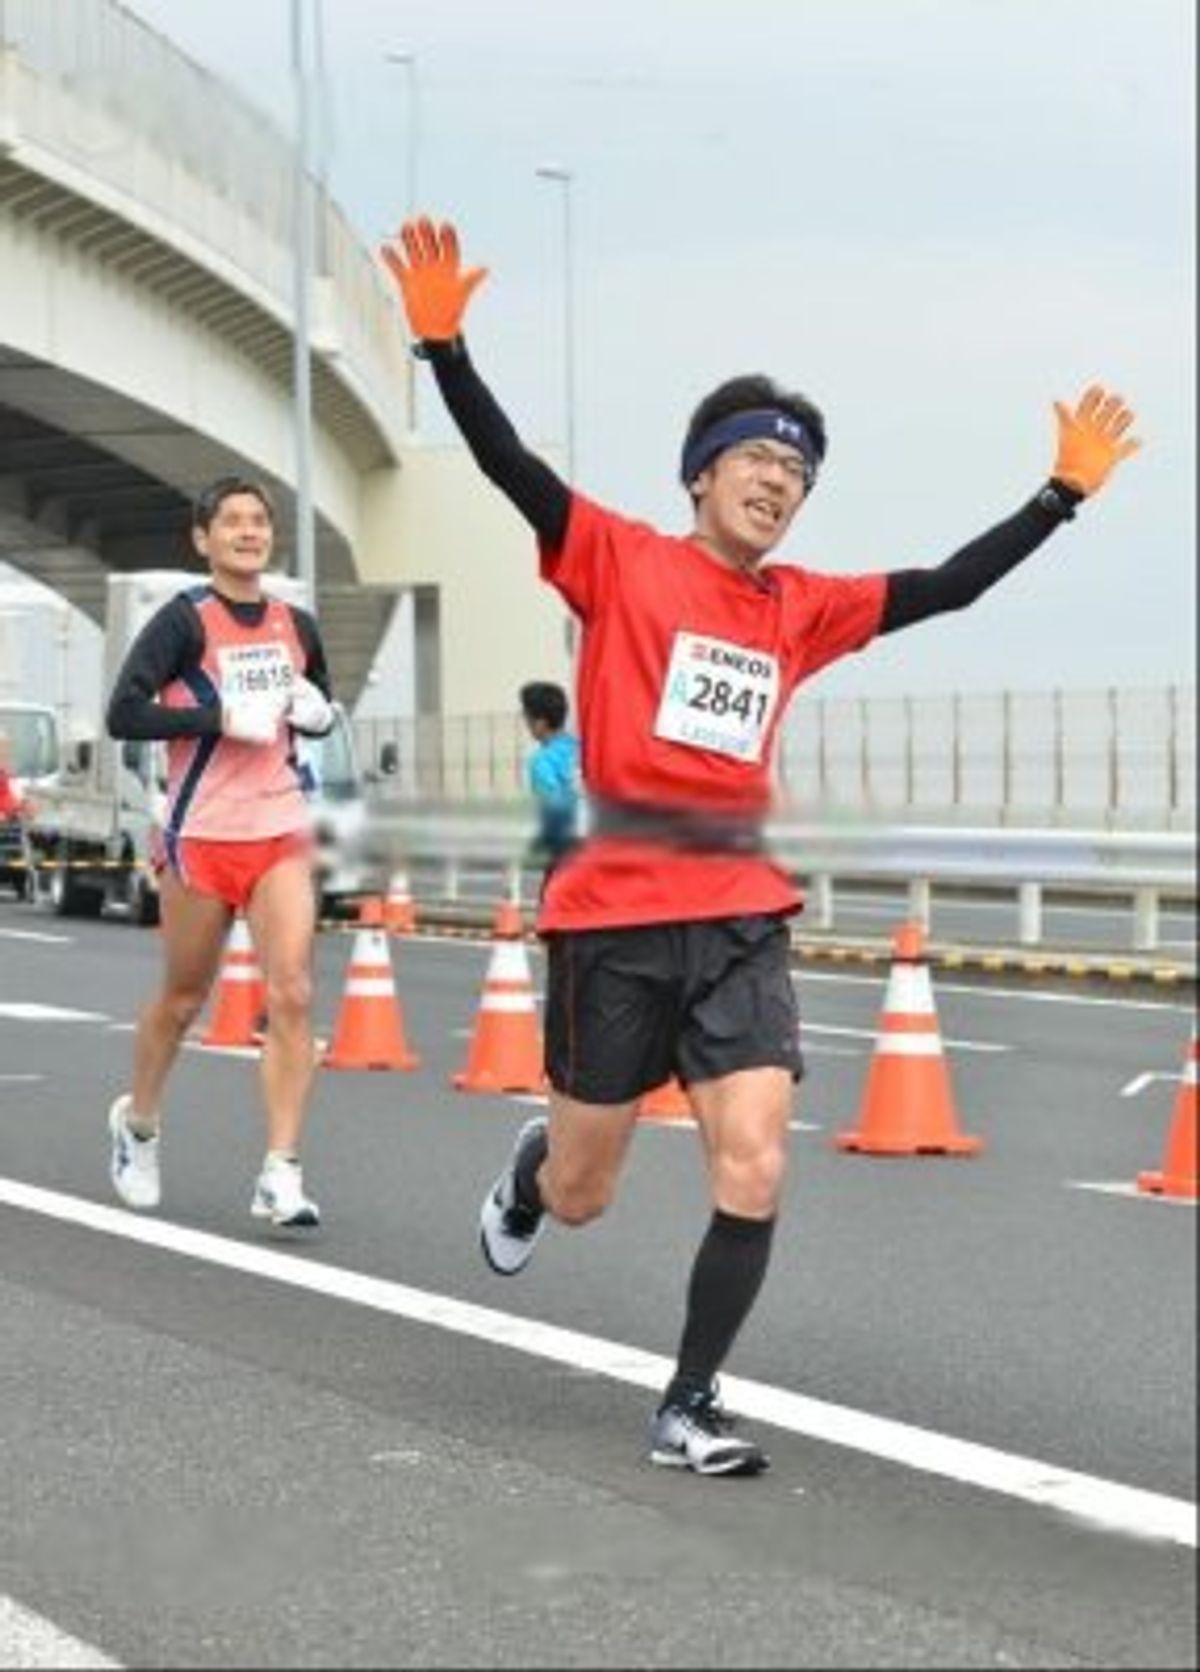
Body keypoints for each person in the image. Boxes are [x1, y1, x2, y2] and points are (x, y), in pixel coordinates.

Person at [380, 217, 1140, 1476]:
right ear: (700, 475)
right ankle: (533, 1167)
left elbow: (946, 585)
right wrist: (445, 350)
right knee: (584, 1195)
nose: (778, 483)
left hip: (738, 915)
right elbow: (511, 467)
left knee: (756, 1159)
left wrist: (1057, 498)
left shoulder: (800, 608)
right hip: (613, 918)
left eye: (798, 473)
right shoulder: (618, 559)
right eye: (756, 459)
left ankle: (689, 1401)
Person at [105, 476, 336, 1228]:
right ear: (203, 539)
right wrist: (218, 718)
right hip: (201, 833)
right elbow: (123, 714)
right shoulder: (183, 622)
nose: (247, 531)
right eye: (231, 521)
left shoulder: (297, 625)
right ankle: (138, 1125)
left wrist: (319, 713)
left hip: (281, 827)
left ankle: (281, 1170)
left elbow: (319, 707)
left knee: (293, 992)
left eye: (258, 520)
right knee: (183, 999)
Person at [518, 679, 582, 867]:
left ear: (541, 722)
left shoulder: (542, 762)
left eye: (527, 717)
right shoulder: (581, 748)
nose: (526, 723)